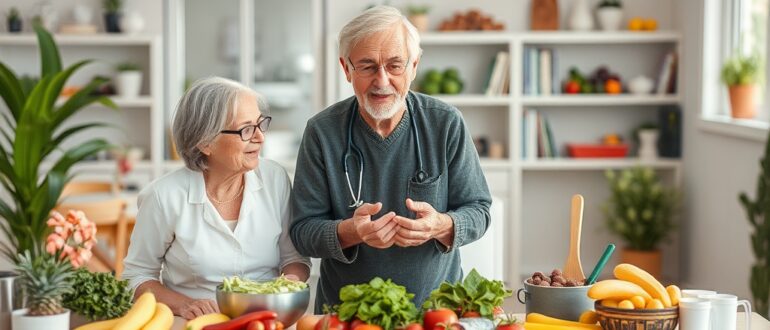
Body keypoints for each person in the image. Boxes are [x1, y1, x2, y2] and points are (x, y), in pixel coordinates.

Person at [290, 6, 491, 311]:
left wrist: (441, 224)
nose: (382, 81)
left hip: (436, 312)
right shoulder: (322, 132)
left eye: (395, 66)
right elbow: (303, 231)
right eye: (368, 66)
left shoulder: (445, 123)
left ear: (414, 66)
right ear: (346, 69)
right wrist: (351, 231)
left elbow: (479, 210)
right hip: (346, 313)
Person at [122, 77, 310, 320]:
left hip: (268, 321)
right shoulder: (163, 197)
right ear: (205, 143)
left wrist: (287, 285)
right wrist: (187, 305)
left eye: (260, 124)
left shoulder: (275, 178)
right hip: (198, 324)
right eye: (246, 129)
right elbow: (136, 276)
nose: (260, 138)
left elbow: (294, 258)